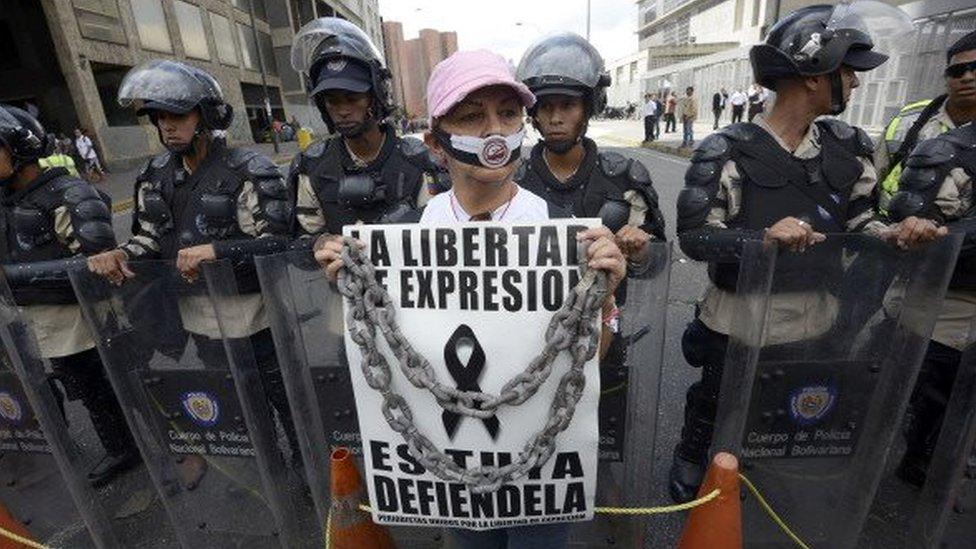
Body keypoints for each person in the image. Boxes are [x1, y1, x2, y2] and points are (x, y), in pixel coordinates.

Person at [316, 48, 628, 549]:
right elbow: (373, 355)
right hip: (449, 468)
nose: (494, 131)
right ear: (436, 144)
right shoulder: (407, 239)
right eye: (471, 116)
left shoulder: (562, 235)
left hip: (541, 470)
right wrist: (344, 284)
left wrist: (604, 299)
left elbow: (589, 362)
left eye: (507, 114)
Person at [669, 3, 945, 503]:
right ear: (815, 74)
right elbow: (694, 235)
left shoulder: (849, 146)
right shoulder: (727, 149)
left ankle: (750, 462)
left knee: (777, 406)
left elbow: (863, 218)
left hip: (814, 315)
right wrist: (762, 239)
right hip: (738, 315)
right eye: (848, 72)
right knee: (713, 401)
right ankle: (692, 454)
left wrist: (897, 231)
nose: (856, 84)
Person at [85, 59, 299, 462]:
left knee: (283, 400)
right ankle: (269, 470)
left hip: (254, 317)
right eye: (160, 116)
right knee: (237, 406)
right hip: (198, 318)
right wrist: (119, 253)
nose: (168, 125)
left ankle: (307, 472)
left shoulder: (250, 170)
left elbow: (279, 243)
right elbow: (147, 236)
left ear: (206, 114)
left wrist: (218, 251)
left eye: (178, 115)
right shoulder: (153, 174)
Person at [0, 104, 139, 486]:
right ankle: (48, 442)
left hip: (76, 317)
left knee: (98, 386)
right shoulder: (6, 200)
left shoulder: (71, 194)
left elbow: (97, 264)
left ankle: (125, 447)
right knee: (47, 386)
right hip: (25, 315)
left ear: (19, 147)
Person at [287, 17, 448, 247]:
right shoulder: (311, 164)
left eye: (353, 98)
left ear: (375, 97)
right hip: (339, 281)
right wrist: (320, 243)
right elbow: (299, 241)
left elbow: (442, 239)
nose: (342, 110)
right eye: (332, 101)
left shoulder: (420, 161)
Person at [887, 122, 976, 486]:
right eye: (959, 70)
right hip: (945, 307)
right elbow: (915, 231)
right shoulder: (948, 150)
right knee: (929, 402)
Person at [876, 30, 976, 214]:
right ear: (946, 78)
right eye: (957, 71)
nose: (967, 77)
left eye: (975, 68)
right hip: (890, 232)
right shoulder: (909, 119)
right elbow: (873, 178)